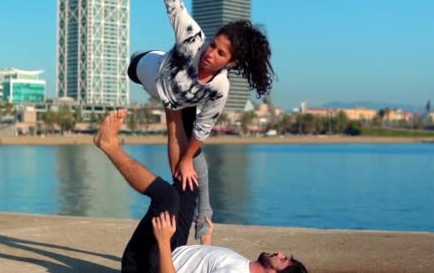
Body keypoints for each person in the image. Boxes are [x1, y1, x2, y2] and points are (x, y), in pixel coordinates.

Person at [128, 0, 276, 240]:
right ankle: (193, 209)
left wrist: (185, 159)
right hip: (150, 69)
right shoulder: (192, 39)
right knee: (141, 74)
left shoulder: (220, 87)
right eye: (213, 45)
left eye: (220, 53)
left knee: (191, 156)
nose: (210, 53)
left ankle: (203, 218)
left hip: (178, 100)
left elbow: (202, 130)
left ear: (231, 63)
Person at [94, 110, 306, 273]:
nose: (280, 253)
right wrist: (206, 241)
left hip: (144, 265)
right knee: (188, 185)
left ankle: (108, 145)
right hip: (172, 250)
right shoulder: (244, 266)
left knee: (166, 197)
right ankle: (172, 109)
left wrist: (163, 240)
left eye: (284, 260)